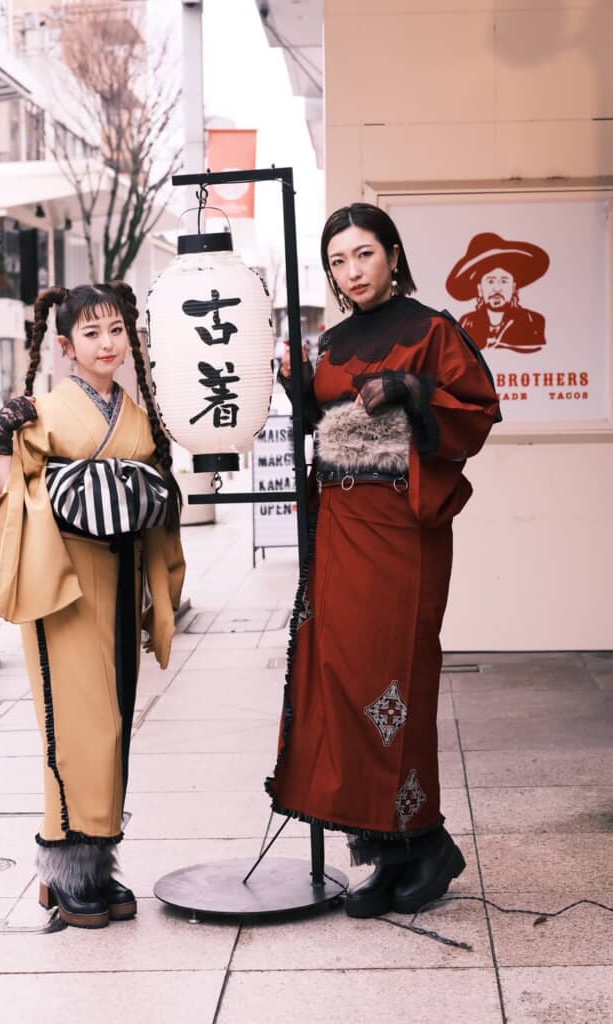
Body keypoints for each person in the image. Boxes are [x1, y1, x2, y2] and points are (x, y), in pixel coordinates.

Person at [269, 203, 500, 919]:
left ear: (393, 255)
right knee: (343, 679)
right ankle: (386, 851)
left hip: (401, 528)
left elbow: (478, 412)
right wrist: (294, 388)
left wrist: (412, 389)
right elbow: (322, 424)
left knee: (397, 681)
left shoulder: (432, 330)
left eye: (364, 254)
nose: (352, 271)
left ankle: (423, 840)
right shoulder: (333, 341)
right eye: (338, 261)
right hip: (338, 524)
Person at [0, 282, 185, 929]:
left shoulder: (136, 415)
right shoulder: (44, 411)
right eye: (91, 334)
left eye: (116, 330)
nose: (107, 343)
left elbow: (158, 500)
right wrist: (2, 442)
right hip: (61, 579)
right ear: (66, 347)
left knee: (114, 722)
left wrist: (158, 592)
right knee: (75, 724)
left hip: (121, 577)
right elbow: (9, 500)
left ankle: (96, 862)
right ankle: (65, 868)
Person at [446, 232, 549, 353]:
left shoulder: (533, 320)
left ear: (514, 287)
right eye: (490, 281)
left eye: (504, 281)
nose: (497, 288)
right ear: (479, 289)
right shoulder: (467, 322)